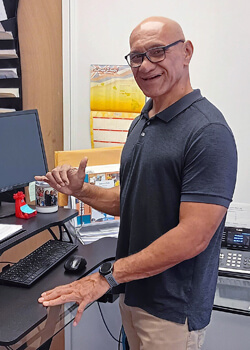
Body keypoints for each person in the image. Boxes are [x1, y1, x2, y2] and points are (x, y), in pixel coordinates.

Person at [36, 16, 237, 350]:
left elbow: (193, 237)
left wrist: (107, 277)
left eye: (157, 52)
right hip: (134, 293)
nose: (145, 66)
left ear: (186, 52)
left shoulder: (208, 133)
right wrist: (80, 190)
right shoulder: (144, 120)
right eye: (136, 57)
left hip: (171, 312)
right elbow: (130, 200)